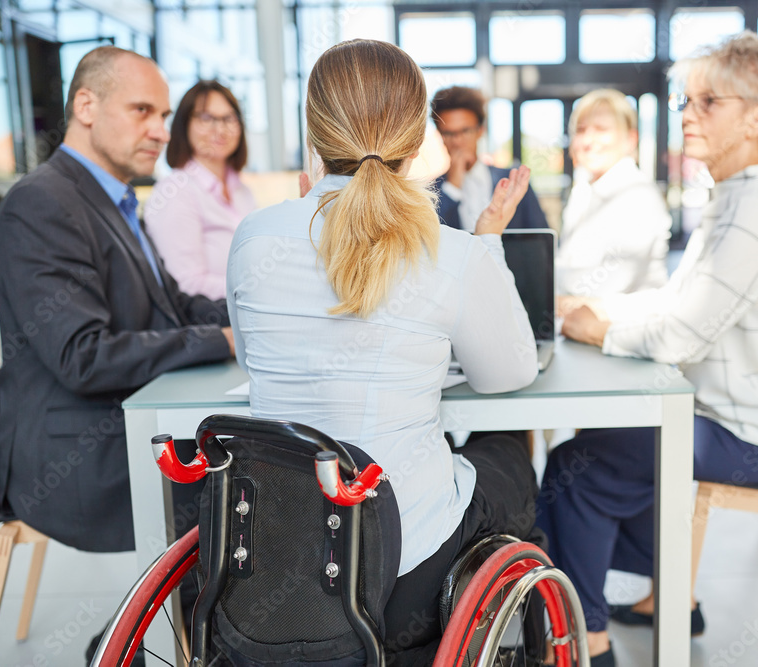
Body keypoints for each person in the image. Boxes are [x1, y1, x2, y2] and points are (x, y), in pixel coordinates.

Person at [227, 39, 541, 664]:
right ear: (418, 137)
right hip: (410, 571)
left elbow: (251, 359)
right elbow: (508, 374)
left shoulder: (254, 236)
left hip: (277, 559)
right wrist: (486, 245)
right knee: (508, 448)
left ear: (314, 134)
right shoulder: (451, 251)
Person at [537, 32, 758, 666]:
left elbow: (682, 333)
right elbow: (676, 301)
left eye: (708, 102)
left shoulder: (754, 210)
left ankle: (588, 640)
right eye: (685, 102)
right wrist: (604, 312)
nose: (689, 116)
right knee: (605, 451)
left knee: (575, 471)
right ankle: (651, 594)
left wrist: (600, 329)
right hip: (737, 414)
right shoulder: (734, 195)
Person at [0, 46, 235, 554]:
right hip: (78, 460)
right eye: (142, 111)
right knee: (256, 489)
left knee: (259, 460)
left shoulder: (115, 198)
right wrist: (221, 340)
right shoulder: (40, 203)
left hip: (120, 423)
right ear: (86, 106)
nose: (161, 132)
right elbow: (84, 356)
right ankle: (189, 610)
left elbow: (175, 305)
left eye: (163, 115)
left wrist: (252, 319)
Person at [145, 80, 256, 300]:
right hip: (214, 317)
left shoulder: (243, 191)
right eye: (206, 118)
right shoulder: (175, 192)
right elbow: (187, 284)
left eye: (229, 118)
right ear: (183, 125)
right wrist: (258, 290)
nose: (220, 129)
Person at [556, 89, 671, 300]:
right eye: (581, 130)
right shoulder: (583, 191)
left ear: (631, 139)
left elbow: (603, 284)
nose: (588, 140)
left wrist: (548, 282)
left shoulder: (639, 197)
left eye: (601, 129)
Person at [430, 86, 549, 232]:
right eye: (448, 133)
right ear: (440, 135)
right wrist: (452, 188)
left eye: (465, 131)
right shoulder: (431, 192)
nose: (457, 141)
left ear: (481, 130)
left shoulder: (514, 181)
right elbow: (428, 238)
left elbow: (541, 237)